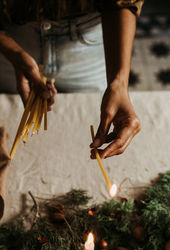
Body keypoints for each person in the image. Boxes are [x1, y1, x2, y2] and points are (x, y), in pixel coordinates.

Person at [0, 0, 143, 159]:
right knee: (8, 116)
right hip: (10, 39)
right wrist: (12, 52)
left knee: (86, 119)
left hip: (89, 44)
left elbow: (124, 2)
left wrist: (119, 83)